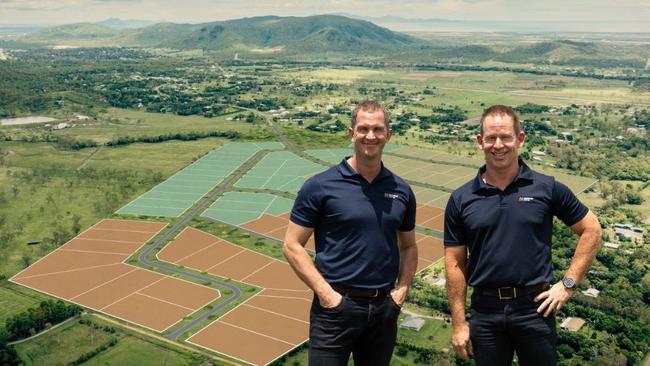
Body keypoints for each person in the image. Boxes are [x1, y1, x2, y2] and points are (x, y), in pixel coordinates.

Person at [444, 105, 601, 365]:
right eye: (491, 138)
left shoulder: (546, 187)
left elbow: (591, 229)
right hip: (485, 310)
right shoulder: (461, 199)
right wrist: (459, 324)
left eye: (505, 137)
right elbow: (454, 264)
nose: (498, 145)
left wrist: (568, 285)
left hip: (535, 308)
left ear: (520, 139)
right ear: (480, 142)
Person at [283, 100, 418, 365]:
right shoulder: (320, 186)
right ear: (351, 133)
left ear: (388, 135)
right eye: (364, 128)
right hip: (334, 310)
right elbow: (291, 245)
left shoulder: (401, 190)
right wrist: (327, 295)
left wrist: (401, 292)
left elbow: (409, 246)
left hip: (383, 309)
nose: (371, 136)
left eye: (378, 129)